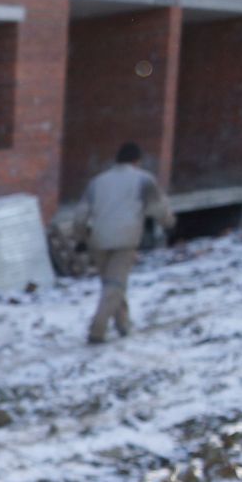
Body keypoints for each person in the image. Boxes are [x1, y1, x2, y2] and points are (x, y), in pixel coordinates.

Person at [71, 141, 175, 344]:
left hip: (98, 239)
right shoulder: (144, 180)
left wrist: (80, 237)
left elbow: (81, 213)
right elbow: (158, 208)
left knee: (111, 284)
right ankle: (97, 329)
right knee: (115, 285)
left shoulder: (98, 181)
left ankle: (123, 324)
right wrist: (169, 223)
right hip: (125, 238)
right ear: (137, 160)